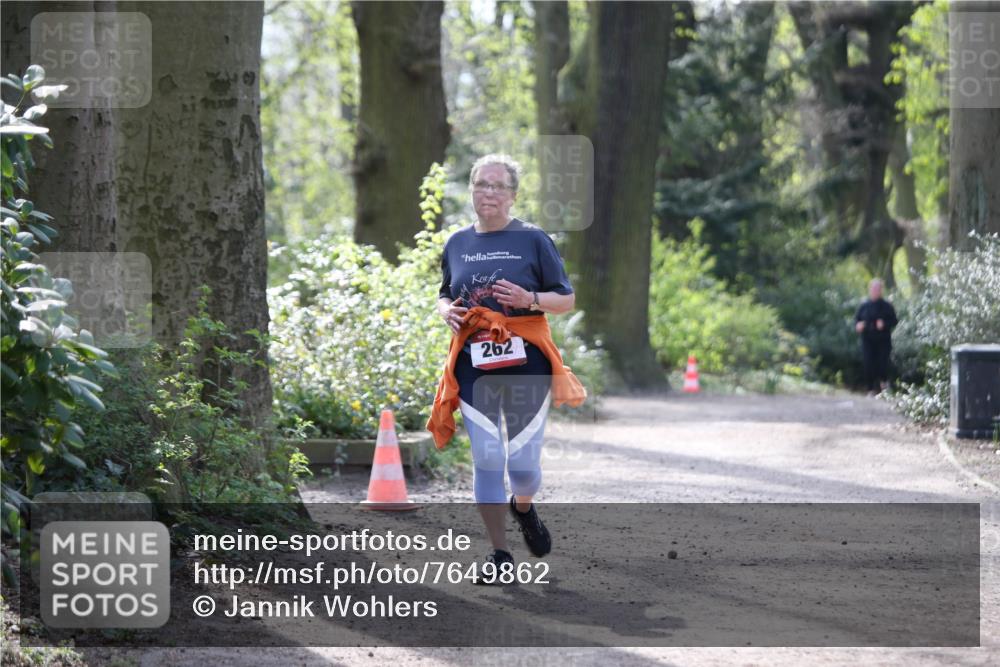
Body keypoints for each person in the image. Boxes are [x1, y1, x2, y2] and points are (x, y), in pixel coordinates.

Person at [426, 154, 586, 584]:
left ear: (513, 195)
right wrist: (446, 312)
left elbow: (565, 299)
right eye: (481, 184)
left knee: (522, 467)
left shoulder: (534, 240)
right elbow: (444, 292)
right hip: (473, 362)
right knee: (487, 457)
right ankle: (499, 553)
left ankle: (524, 506)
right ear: (472, 191)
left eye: (497, 186)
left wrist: (528, 298)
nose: (488, 192)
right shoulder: (457, 242)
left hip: (526, 362)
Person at [854, 278, 898, 395]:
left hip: (883, 340)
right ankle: (870, 389)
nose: (875, 291)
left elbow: (894, 321)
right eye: (873, 288)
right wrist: (859, 326)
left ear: (881, 290)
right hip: (867, 339)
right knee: (868, 363)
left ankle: (884, 385)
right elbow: (857, 321)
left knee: (882, 363)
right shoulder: (864, 305)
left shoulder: (887, 306)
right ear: (870, 289)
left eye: (877, 289)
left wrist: (884, 324)